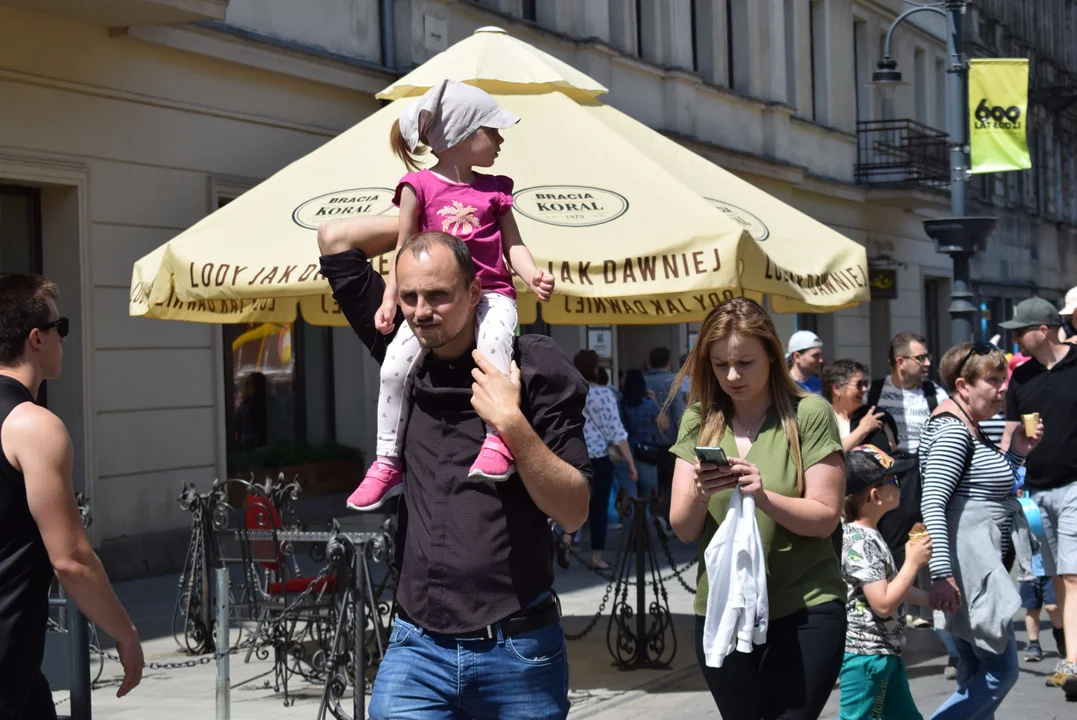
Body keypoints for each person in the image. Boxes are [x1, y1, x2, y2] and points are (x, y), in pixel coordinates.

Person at [316, 229, 591, 718]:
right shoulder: (402, 353)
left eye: (439, 295)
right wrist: (431, 205)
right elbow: (336, 240)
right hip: (417, 647)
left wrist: (512, 424)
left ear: (475, 292)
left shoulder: (533, 365)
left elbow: (574, 511)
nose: (422, 311)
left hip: (518, 646)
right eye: (410, 296)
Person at [343, 79, 556, 512]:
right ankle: (387, 462)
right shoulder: (417, 186)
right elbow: (404, 250)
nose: (499, 140)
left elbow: (512, 243)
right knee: (393, 368)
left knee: (495, 345)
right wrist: (389, 300)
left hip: (493, 292)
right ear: (460, 134)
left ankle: (498, 440)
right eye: (491, 131)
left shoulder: (495, 187)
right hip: (437, 300)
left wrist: (531, 274)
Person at [669, 298, 847, 720]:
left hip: (805, 608)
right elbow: (682, 528)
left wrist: (764, 496)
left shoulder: (809, 413)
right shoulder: (699, 419)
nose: (731, 376)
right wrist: (699, 491)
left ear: (772, 354)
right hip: (724, 608)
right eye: (719, 365)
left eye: (745, 362)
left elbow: (825, 518)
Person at [0, 274, 144, 718]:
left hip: (22, 672)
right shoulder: (34, 426)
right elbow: (71, 560)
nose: (64, 338)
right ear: (36, 339)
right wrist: (124, 632)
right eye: (59, 328)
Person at [919, 341, 1042, 719]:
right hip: (967, 572)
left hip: (973, 566)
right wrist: (942, 573)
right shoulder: (954, 431)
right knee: (1001, 671)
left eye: (1003, 378)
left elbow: (986, 483)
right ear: (962, 386)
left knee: (973, 669)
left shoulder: (968, 424)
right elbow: (933, 502)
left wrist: (1018, 451)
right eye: (992, 380)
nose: (1003, 387)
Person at [1000, 296, 1077, 694]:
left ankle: (1074, 663)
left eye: (1020, 331)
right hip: (1034, 492)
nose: (1015, 337)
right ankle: (1068, 653)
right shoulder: (1022, 378)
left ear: (1042, 330)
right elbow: (1010, 433)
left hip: (1074, 486)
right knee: (1058, 579)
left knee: (1071, 573)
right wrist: (1000, 475)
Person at [838, 445, 933, 720]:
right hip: (866, 658)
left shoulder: (869, 534)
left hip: (884, 653)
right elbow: (882, 603)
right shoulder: (861, 541)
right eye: (892, 479)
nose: (899, 483)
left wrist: (929, 599)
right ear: (875, 495)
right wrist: (912, 562)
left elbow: (890, 587)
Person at [567, 349, 637, 570]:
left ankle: (566, 538)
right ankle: (596, 556)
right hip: (599, 458)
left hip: (573, 456)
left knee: (574, 501)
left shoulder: (569, 392)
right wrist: (630, 462)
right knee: (598, 508)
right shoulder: (606, 394)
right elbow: (617, 432)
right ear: (596, 369)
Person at [867, 332, 949, 454]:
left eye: (927, 357)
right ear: (901, 362)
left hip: (921, 470)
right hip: (885, 469)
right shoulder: (871, 392)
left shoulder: (936, 395)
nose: (927, 363)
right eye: (920, 358)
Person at [645, 346, 684, 531]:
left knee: (652, 482)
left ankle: (653, 514)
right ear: (667, 363)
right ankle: (669, 518)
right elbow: (678, 411)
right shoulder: (672, 380)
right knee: (670, 481)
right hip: (670, 440)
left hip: (647, 441)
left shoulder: (642, 381)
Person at [621, 369, 669, 518]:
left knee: (631, 498)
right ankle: (648, 534)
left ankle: (632, 533)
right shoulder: (648, 405)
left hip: (627, 453)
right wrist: (654, 401)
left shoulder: (621, 405)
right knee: (648, 498)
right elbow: (665, 424)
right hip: (647, 454)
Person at [821, 358, 894, 453]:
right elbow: (829, 455)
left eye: (865, 384)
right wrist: (863, 429)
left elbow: (894, 456)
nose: (864, 389)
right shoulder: (822, 420)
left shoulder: (875, 416)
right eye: (859, 384)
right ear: (837, 389)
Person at [786, 330, 825, 395]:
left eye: (820, 355)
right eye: (815, 356)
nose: (820, 360)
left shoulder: (819, 385)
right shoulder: (783, 386)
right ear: (797, 357)